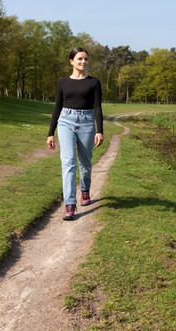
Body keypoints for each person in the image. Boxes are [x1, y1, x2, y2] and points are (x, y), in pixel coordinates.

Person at [47, 46, 104, 220]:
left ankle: (85, 190)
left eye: (86, 59)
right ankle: (70, 204)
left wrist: (100, 130)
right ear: (71, 61)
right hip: (66, 121)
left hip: (87, 122)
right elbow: (57, 107)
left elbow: (97, 107)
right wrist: (51, 132)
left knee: (85, 163)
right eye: (79, 58)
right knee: (68, 162)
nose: (83, 62)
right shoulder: (63, 83)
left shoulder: (94, 82)